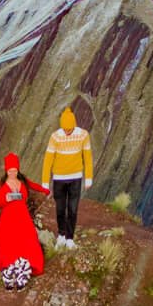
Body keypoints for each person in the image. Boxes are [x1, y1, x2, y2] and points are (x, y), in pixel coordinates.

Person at [41, 106, 94, 247]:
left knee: (72, 209)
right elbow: (48, 160)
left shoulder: (83, 135)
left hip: (76, 178)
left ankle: (70, 238)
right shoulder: (55, 137)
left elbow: (87, 157)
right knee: (60, 209)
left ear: (74, 125)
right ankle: (61, 235)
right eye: (65, 129)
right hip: (58, 179)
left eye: (69, 129)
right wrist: (45, 183)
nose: (67, 131)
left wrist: (88, 178)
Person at [0, 153, 46, 290]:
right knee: (9, 245)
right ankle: (11, 275)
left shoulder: (22, 181)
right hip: (9, 219)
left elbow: (34, 186)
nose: (13, 172)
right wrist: (8, 198)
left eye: (15, 170)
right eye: (10, 170)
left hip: (22, 217)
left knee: (26, 242)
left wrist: (45, 191)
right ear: (6, 170)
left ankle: (22, 273)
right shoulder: (2, 185)